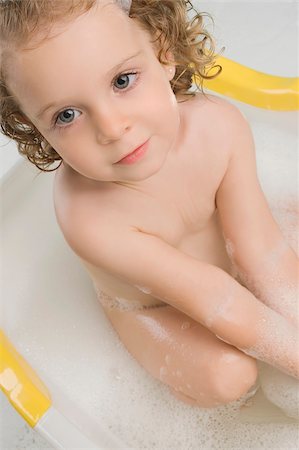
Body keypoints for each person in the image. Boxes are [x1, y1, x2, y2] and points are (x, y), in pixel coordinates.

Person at [0, 0, 298, 408]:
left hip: (225, 281)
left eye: (122, 81)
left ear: (163, 52)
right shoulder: (89, 219)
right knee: (230, 376)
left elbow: (262, 251)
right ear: (33, 126)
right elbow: (217, 299)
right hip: (156, 312)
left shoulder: (219, 127)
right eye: (67, 115)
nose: (112, 128)